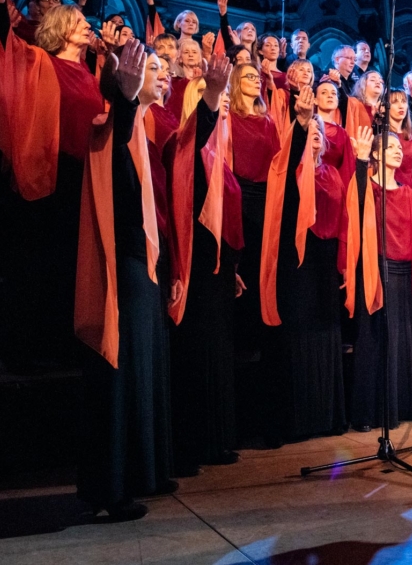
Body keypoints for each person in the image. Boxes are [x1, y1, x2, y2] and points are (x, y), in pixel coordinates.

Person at [0, 0, 108, 372]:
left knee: (68, 266)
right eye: (79, 21)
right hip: (47, 168)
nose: (86, 25)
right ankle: (25, 348)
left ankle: (62, 343)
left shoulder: (92, 73)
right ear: (61, 28)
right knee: (36, 260)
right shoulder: (40, 59)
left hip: (81, 176)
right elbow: (5, 42)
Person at [72, 40, 173, 521]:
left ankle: (140, 473)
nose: (156, 75)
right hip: (124, 265)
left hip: (145, 264)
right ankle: (110, 488)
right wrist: (128, 101)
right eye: (144, 70)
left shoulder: (142, 134)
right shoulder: (108, 128)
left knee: (143, 374)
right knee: (118, 375)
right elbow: (117, 175)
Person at [167, 54, 244, 476]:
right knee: (198, 355)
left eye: (226, 105)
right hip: (195, 270)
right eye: (215, 105)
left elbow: (226, 219)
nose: (223, 110)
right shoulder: (184, 147)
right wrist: (212, 93)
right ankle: (194, 444)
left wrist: (231, 267)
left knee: (218, 355)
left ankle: (217, 440)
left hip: (218, 272)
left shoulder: (222, 161)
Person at [259, 93, 347, 445]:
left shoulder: (333, 174)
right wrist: (301, 122)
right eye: (309, 129)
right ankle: (297, 419)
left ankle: (326, 415)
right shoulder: (286, 170)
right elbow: (295, 166)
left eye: (319, 130)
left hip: (326, 261)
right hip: (298, 261)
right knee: (299, 335)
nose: (315, 133)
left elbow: (343, 221)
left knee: (326, 333)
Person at [342, 127, 412, 431]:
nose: (397, 150)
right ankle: (370, 412)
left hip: (404, 272)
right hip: (378, 270)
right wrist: (362, 161)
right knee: (377, 340)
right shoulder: (367, 186)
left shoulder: (406, 191)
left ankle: (408, 404)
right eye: (389, 146)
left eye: (398, 146)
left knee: (406, 340)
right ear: (377, 154)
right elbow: (358, 209)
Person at [227, 63, 281, 361]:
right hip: (236, 189)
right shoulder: (229, 116)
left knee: (260, 262)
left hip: (263, 196)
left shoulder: (268, 121)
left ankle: (257, 337)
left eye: (257, 77)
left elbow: (276, 161)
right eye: (248, 76)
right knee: (240, 259)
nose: (255, 80)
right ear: (236, 81)